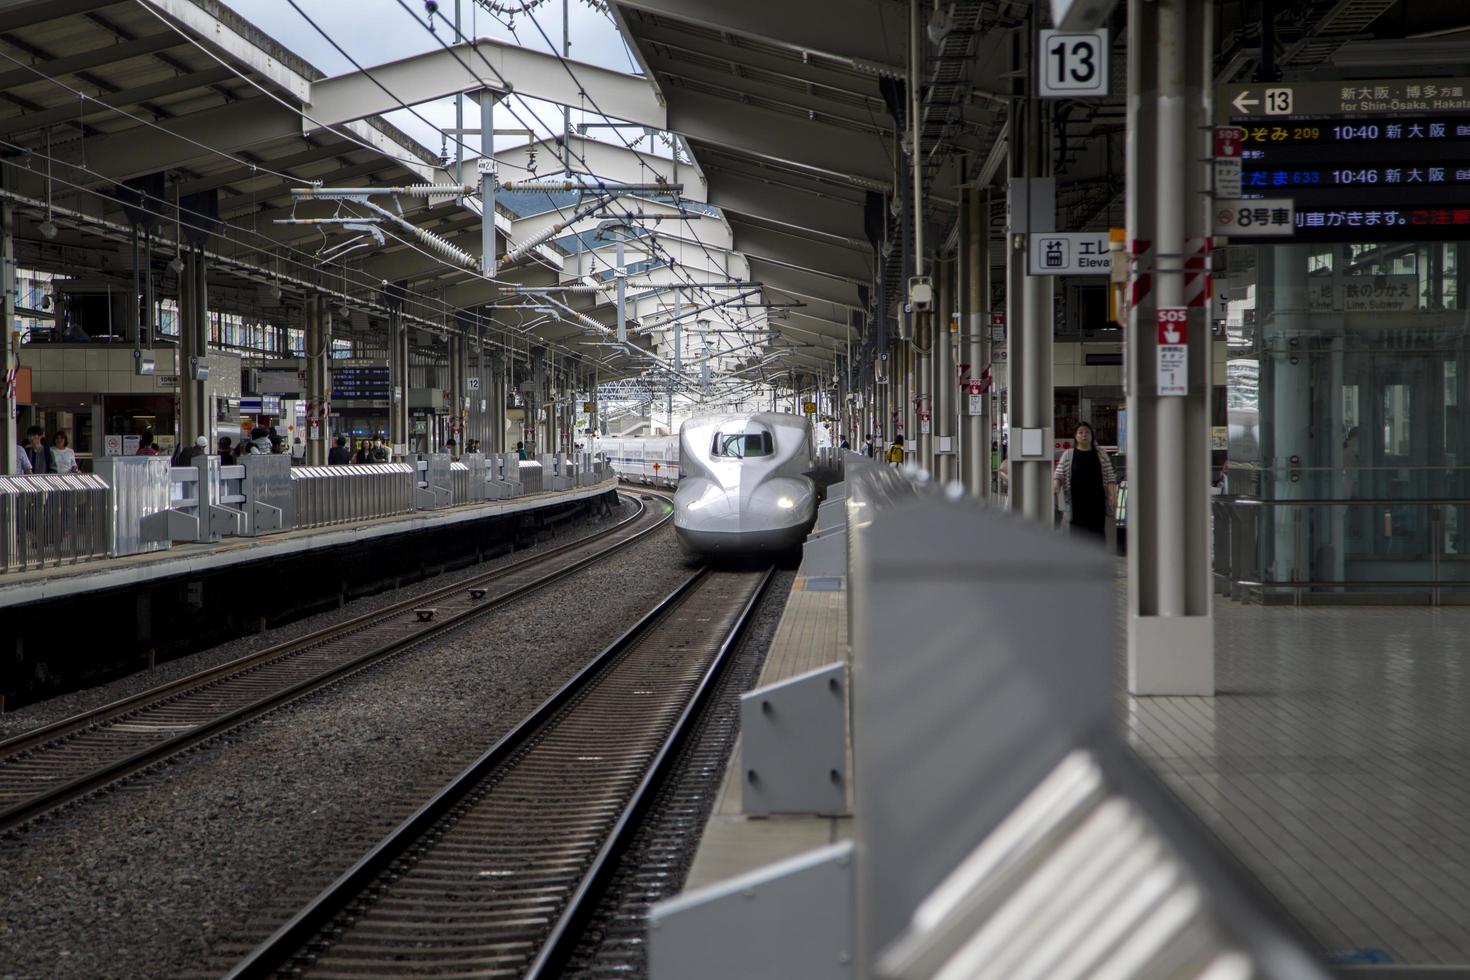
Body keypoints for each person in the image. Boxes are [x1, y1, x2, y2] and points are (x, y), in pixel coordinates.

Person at [1052, 421, 1117, 543]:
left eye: (1087, 432)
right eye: (1080, 432)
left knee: (1097, 534)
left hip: (1096, 502)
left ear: (1092, 435)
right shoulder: (1068, 455)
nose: (1084, 435)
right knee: (1077, 534)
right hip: (1076, 502)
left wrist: (1113, 494)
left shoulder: (1101, 454)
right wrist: (1055, 489)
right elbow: (1059, 475)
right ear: (1075, 436)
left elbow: (1110, 476)